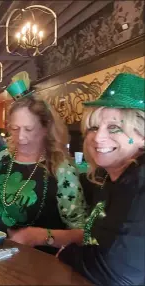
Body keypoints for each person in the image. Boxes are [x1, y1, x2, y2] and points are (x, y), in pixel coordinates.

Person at [0, 72, 88, 254]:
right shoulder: (2, 157)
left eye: (29, 129)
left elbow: (82, 233)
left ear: (45, 129)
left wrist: (39, 236)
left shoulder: (60, 168)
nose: (21, 137)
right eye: (15, 129)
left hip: (39, 266)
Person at [58, 73, 145, 284]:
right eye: (94, 128)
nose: (97, 138)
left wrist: (67, 254)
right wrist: (43, 236)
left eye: (114, 127)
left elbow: (119, 272)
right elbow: (99, 237)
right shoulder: (108, 176)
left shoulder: (139, 182)